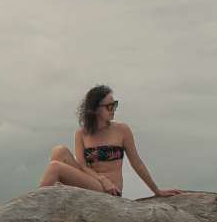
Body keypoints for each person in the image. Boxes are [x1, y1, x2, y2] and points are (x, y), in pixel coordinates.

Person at [37, 84, 182, 197]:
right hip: (94, 183)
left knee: (54, 167)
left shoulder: (122, 130)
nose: (113, 109)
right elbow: (82, 166)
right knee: (59, 151)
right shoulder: (81, 133)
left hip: (111, 190)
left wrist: (156, 190)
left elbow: (136, 162)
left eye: (115, 105)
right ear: (95, 110)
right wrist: (102, 180)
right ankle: (51, 200)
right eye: (109, 106)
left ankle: (36, 205)